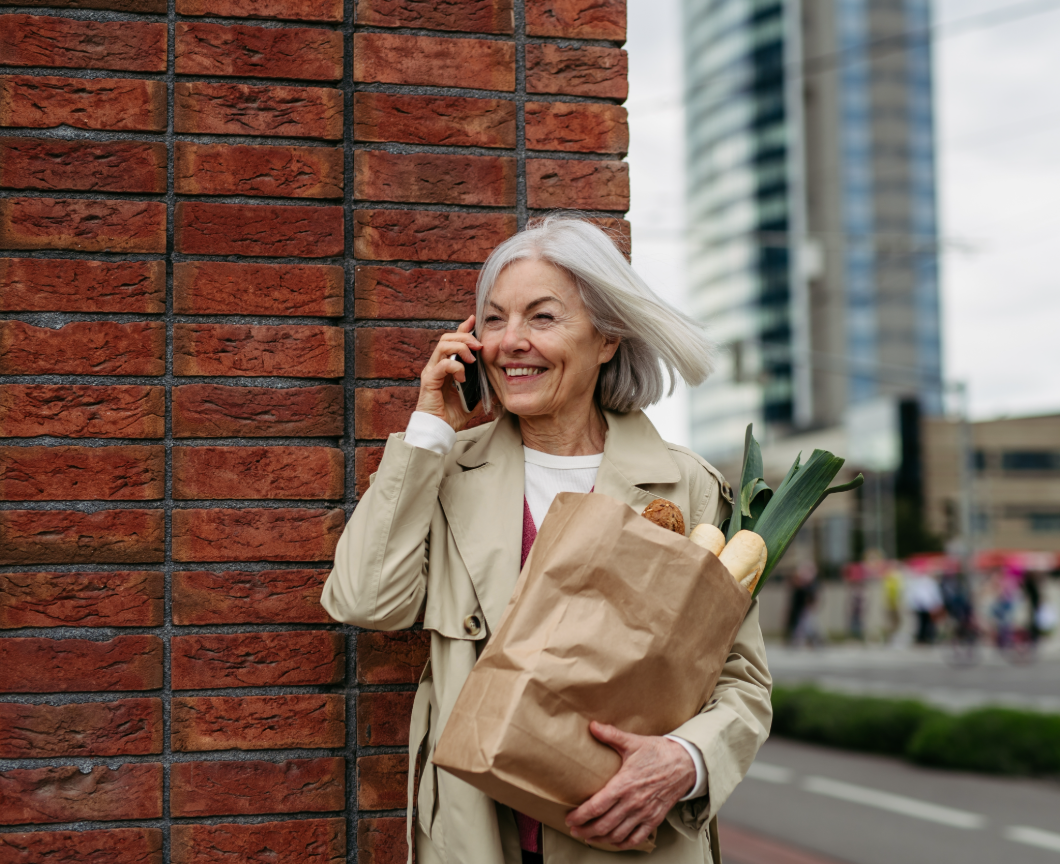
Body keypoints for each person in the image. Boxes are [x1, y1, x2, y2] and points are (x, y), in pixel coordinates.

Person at [322, 215, 772, 864]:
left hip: (628, 842)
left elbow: (743, 681)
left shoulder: (686, 486)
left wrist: (684, 759)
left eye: (542, 318)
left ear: (608, 337)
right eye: (495, 319)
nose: (511, 343)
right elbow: (366, 601)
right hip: (477, 840)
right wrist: (428, 429)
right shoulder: (445, 472)